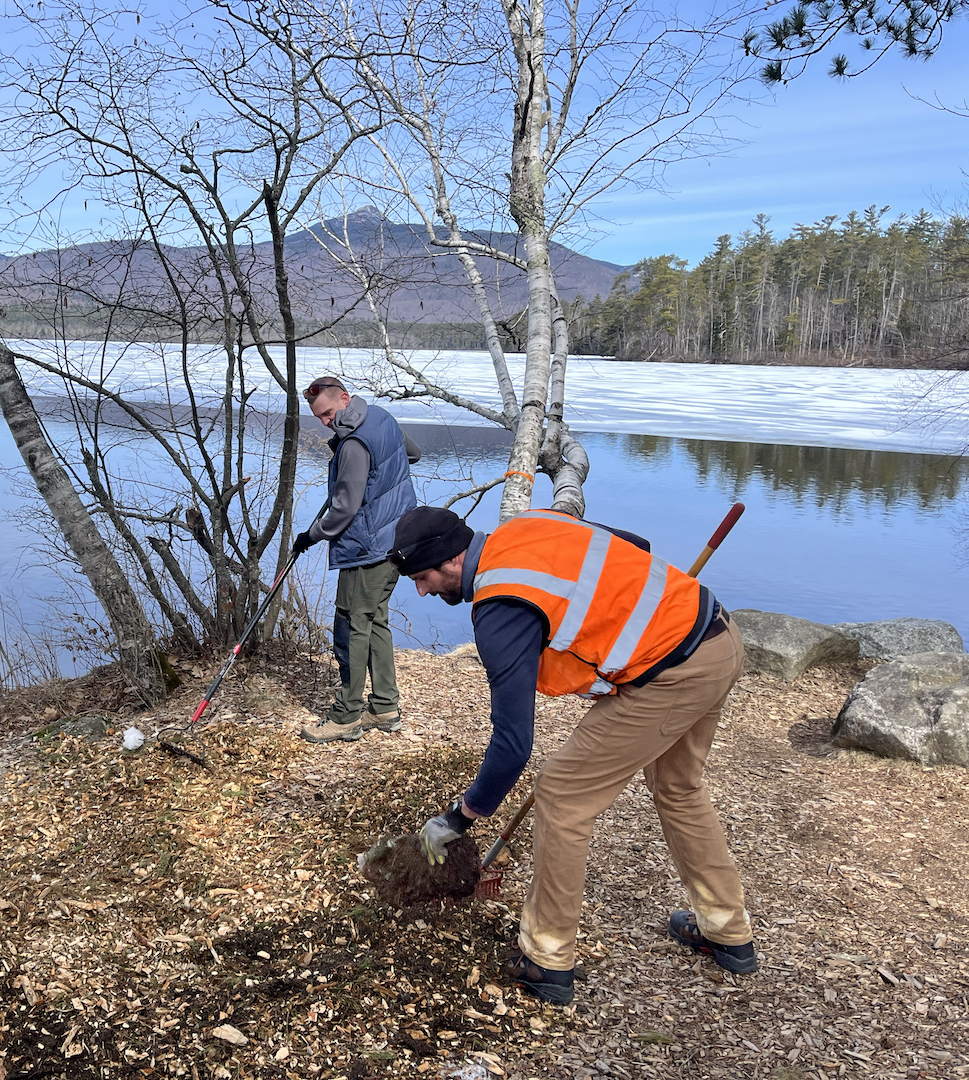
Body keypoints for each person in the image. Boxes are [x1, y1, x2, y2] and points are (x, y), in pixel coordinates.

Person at [389, 504, 755, 1004]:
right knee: (677, 786)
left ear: (452, 559)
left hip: (672, 672)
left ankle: (547, 956)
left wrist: (461, 816)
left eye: (423, 577)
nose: (423, 590)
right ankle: (726, 929)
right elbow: (634, 545)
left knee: (561, 794)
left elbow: (514, 743)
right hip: (716, 636)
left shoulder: (500, 606)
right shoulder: (529, 524)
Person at [292, 377, 420, 744]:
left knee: (351, 625)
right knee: (375, 619)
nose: (326, 422)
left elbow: (344, 508)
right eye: (319, 418)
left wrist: (312, 534)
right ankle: (384, 706)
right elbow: (412, 454)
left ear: (345, 399)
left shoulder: (353, 445)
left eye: (329, 413)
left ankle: (347, 715)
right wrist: (380, 478)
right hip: (397, 539)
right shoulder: (382, 417)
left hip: (366, 548)